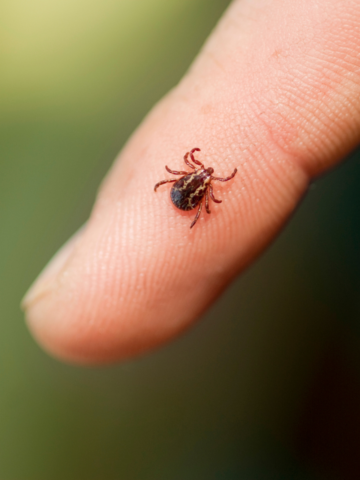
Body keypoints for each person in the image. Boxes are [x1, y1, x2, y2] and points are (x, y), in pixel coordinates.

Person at [22, 0, 360, 364]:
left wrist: (188, 193)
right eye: (201, 173)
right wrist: (195, 199)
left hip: (178, 199)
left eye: (202, 174)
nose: (204, 175)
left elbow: (190, 189)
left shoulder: (192, 183)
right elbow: (199, 198)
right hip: (179, 200)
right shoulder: (199, 186)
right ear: (195, 173)